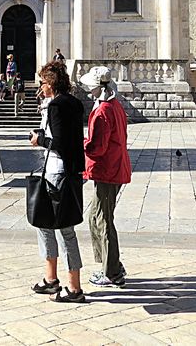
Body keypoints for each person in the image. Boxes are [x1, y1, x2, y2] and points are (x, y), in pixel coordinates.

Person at [29, 60, 86, 303]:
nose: (40, 87)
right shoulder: (74, 103)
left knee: (57, 227)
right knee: (58, 227)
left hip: (57, 171)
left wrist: (38, 141)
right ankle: (52, 279)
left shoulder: (55, 106)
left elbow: (60, 143)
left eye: (42, 82)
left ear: (51, 83)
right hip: (71, 171)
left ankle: (73, 288)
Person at [80, 66, 131, 288]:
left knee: (102, 220)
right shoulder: (114, 106)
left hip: (108, 170)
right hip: (111, 168)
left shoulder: (103, 111)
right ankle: (111, 264)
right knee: (96, 217)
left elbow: (96, 147)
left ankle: (112, 272)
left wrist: (77, 144)